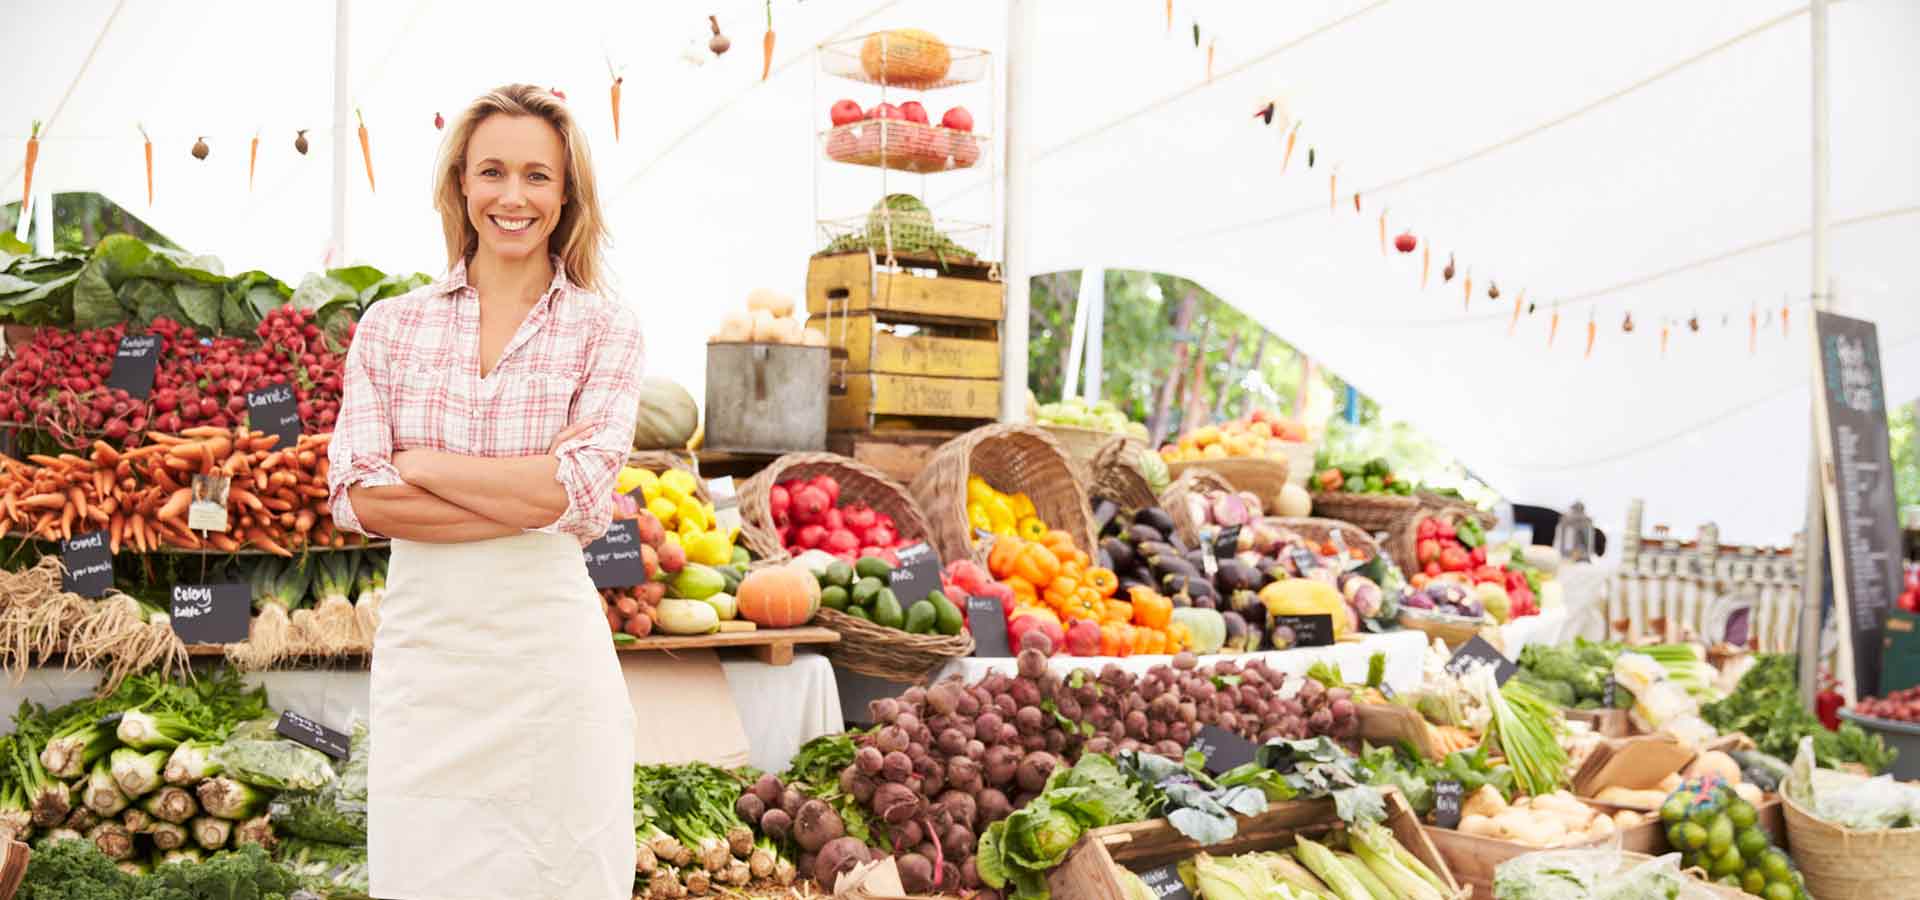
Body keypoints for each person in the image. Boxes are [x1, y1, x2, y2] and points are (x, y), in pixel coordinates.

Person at [326, 84, 645, 900]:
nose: (514, 196)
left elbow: (582, 496)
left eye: (538, 176)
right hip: (428, 662)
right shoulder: (391, 327)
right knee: (424, 866)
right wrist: (529, 488)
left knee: (563, 867)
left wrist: (425, 463)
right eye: (492, 172)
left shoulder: (605, 330)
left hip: (550, 658)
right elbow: (360, 498)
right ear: (460, 186)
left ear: (566, 193)